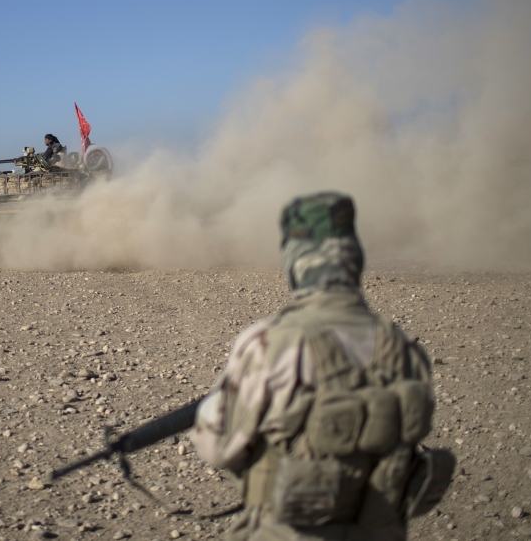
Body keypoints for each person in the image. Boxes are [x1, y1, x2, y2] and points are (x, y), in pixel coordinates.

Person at [191, 192, 452, 541]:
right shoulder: (404, 348)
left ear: (295, 262)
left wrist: (213, 407)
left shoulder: (270, 343)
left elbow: (218, 447)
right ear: (355, 257)